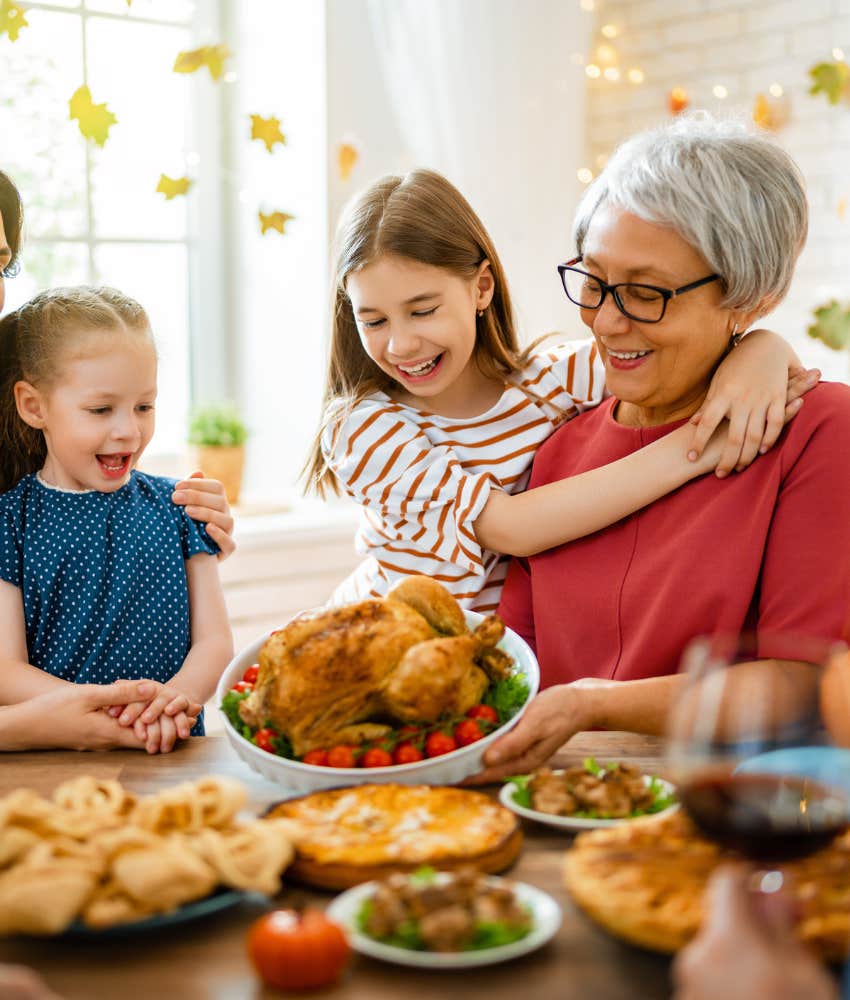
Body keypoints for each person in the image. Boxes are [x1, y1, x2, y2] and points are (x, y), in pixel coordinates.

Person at [473, 113, 850, 783]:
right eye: (592, 282)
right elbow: (514, 663)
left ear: (749, 296)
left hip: (733, 815)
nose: (606, 321)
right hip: (557, 805)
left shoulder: (819, 432)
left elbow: (802, 682)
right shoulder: (559, 447)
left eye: (646, 294)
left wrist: (591, 706)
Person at [304, 167, 817, 611]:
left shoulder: (550, 381)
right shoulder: (364, 427)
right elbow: (509, 528)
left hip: (504, 661)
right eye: (372, 320)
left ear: (481, 287)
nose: (400, 344)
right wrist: (701, 449)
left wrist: (762, 346)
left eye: (422, 311)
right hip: (389, 647)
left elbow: (687, 365)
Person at [0, 285, 234, 753]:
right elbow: (6, 670)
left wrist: (175, 701)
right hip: (56, 764)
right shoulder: (11, 521)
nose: (129, 430)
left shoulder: (179, 505)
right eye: (101, 409)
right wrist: (100, 713)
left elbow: (215, 643)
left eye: (144, 406)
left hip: (171, 748)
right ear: (34, 405)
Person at [0, 168, 237, 559]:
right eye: (100, 409)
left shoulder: (27, 361)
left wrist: (199, 537)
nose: (125, 430)